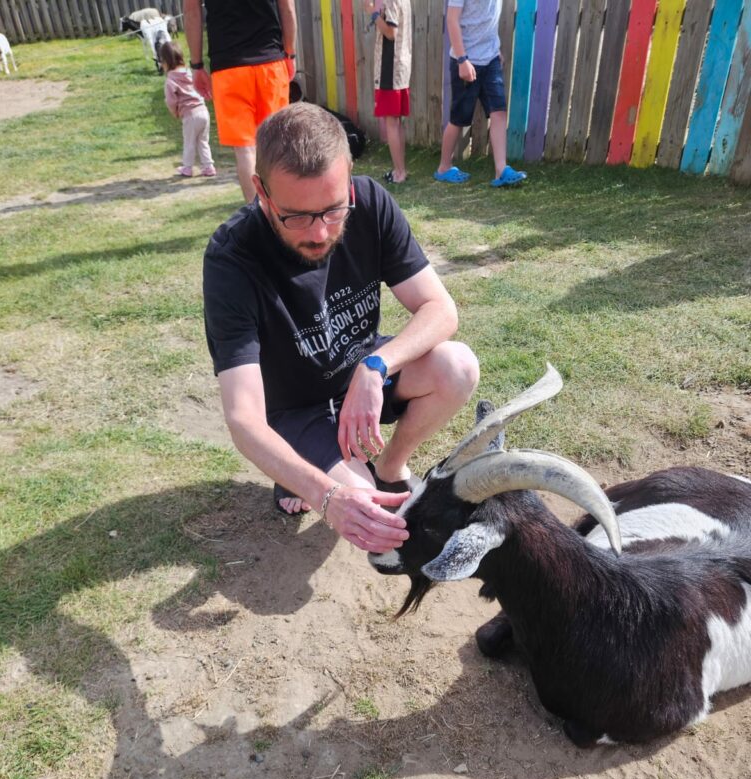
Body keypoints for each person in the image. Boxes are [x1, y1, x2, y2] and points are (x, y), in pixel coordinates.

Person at [203, 104, 479, 554]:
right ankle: (301, 472)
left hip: (358, 373)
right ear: (260, 190)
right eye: (296, 216)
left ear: (349, 178)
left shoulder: (369, 202)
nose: (320, 233)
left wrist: (374, 367)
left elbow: (440, 309)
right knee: (366, 511)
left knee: (458, 366)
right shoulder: (231, 258)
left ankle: (390, 465)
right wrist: (327, 496)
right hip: (294, 410)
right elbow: (243, 417)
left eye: (333, 209)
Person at [183, 0, 297, 203]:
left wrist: (197, 65)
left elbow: (191, 12)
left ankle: (258, 219)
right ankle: (287, 210)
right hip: (270, 62)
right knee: (277, 144)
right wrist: (290, 53)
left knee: (245, 148)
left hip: (228, 69)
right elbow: (287, 7)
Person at [434, 0, 527, 188]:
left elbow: (489, 19)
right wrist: (462, 60)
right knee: (458, 119)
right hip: (466, 60)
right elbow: (452, 20)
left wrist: (494, 49)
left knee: (499, 112)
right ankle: (444, 167)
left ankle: (501, 170)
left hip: (490, 58)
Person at [363, 0, 412, 184]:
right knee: (397, 121)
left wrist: (373, 13)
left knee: (392, 121)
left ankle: (399, 173)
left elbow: (391, 32)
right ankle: (400, 170)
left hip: (389, 68)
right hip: (400, 65)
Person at [160, 41, 216, 179]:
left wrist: (175, 112)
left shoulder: (171, 79)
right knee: (203, 141)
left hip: (190, 115)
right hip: (203, 111)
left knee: (189, 142)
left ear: (165, 62)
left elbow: (171, 100)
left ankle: (187, 168)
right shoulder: (190, 72)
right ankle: (208, 166)